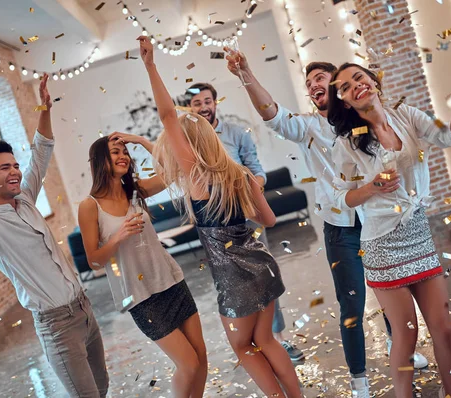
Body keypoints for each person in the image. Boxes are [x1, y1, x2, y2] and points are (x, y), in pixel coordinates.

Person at [225, 50, 428, 397]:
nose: (313, 86)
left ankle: (403, 352)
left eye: (320, 79)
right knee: (352, 303)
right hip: (342, 229)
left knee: (391, 294)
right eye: (308, 84)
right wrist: (245, 72)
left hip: (380, 222)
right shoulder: (307, 127)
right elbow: (270, 112)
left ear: (338, 87)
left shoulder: (365, 122)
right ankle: (359, 379)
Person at [138, 36, 302, 398]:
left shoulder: (196, 178)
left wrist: (150, 65)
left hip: (236, 280)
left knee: (244, 348)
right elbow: (270, 221)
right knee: (266, 339)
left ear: (189, 147)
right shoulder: (240, 175)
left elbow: (167, 116)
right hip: (263, 265)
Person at [327, 62, 451, 398]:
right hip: (382, 244)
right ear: (346, 102)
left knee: (446, 330)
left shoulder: (405, 114)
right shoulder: (347, 145)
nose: (357, 86)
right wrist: (372, 188)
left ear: (373, 81)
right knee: (406, 335)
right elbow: (341, 199)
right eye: (348, 87)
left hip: (418, 233)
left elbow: (449, 136)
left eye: (360, 78)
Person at [0, 74, 109, 398]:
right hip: (57, 326)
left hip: (84, 310)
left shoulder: (24, 197)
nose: (15, 172)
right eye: (4, 168)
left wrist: (44, 107)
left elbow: (42, 150)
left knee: (102, 386)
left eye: (15, 165)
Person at [78, 132, 208, 398]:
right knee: (188, 364)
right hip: (141, 297)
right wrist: (118, 237)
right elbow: (93, 261)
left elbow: (174, 169)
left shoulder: (136, 190)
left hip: (171, 281)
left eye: (125, 152)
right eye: (115, 151)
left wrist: (139, 140)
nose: (123, 156)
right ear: (100, 160)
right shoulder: (89, 207)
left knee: (201, 358)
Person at [186, 82, 304, 362]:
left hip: (247, 219)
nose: (203, 107)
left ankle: (279, 338)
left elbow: (256, 170)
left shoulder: (237, 134)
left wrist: (252, 188)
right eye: (196, 103)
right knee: (233, 287)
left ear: (215, 102)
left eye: (207, 101)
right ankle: (249, 342)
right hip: (215, 229)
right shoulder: (189, 143)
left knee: (264, 278)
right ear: (189, 109)